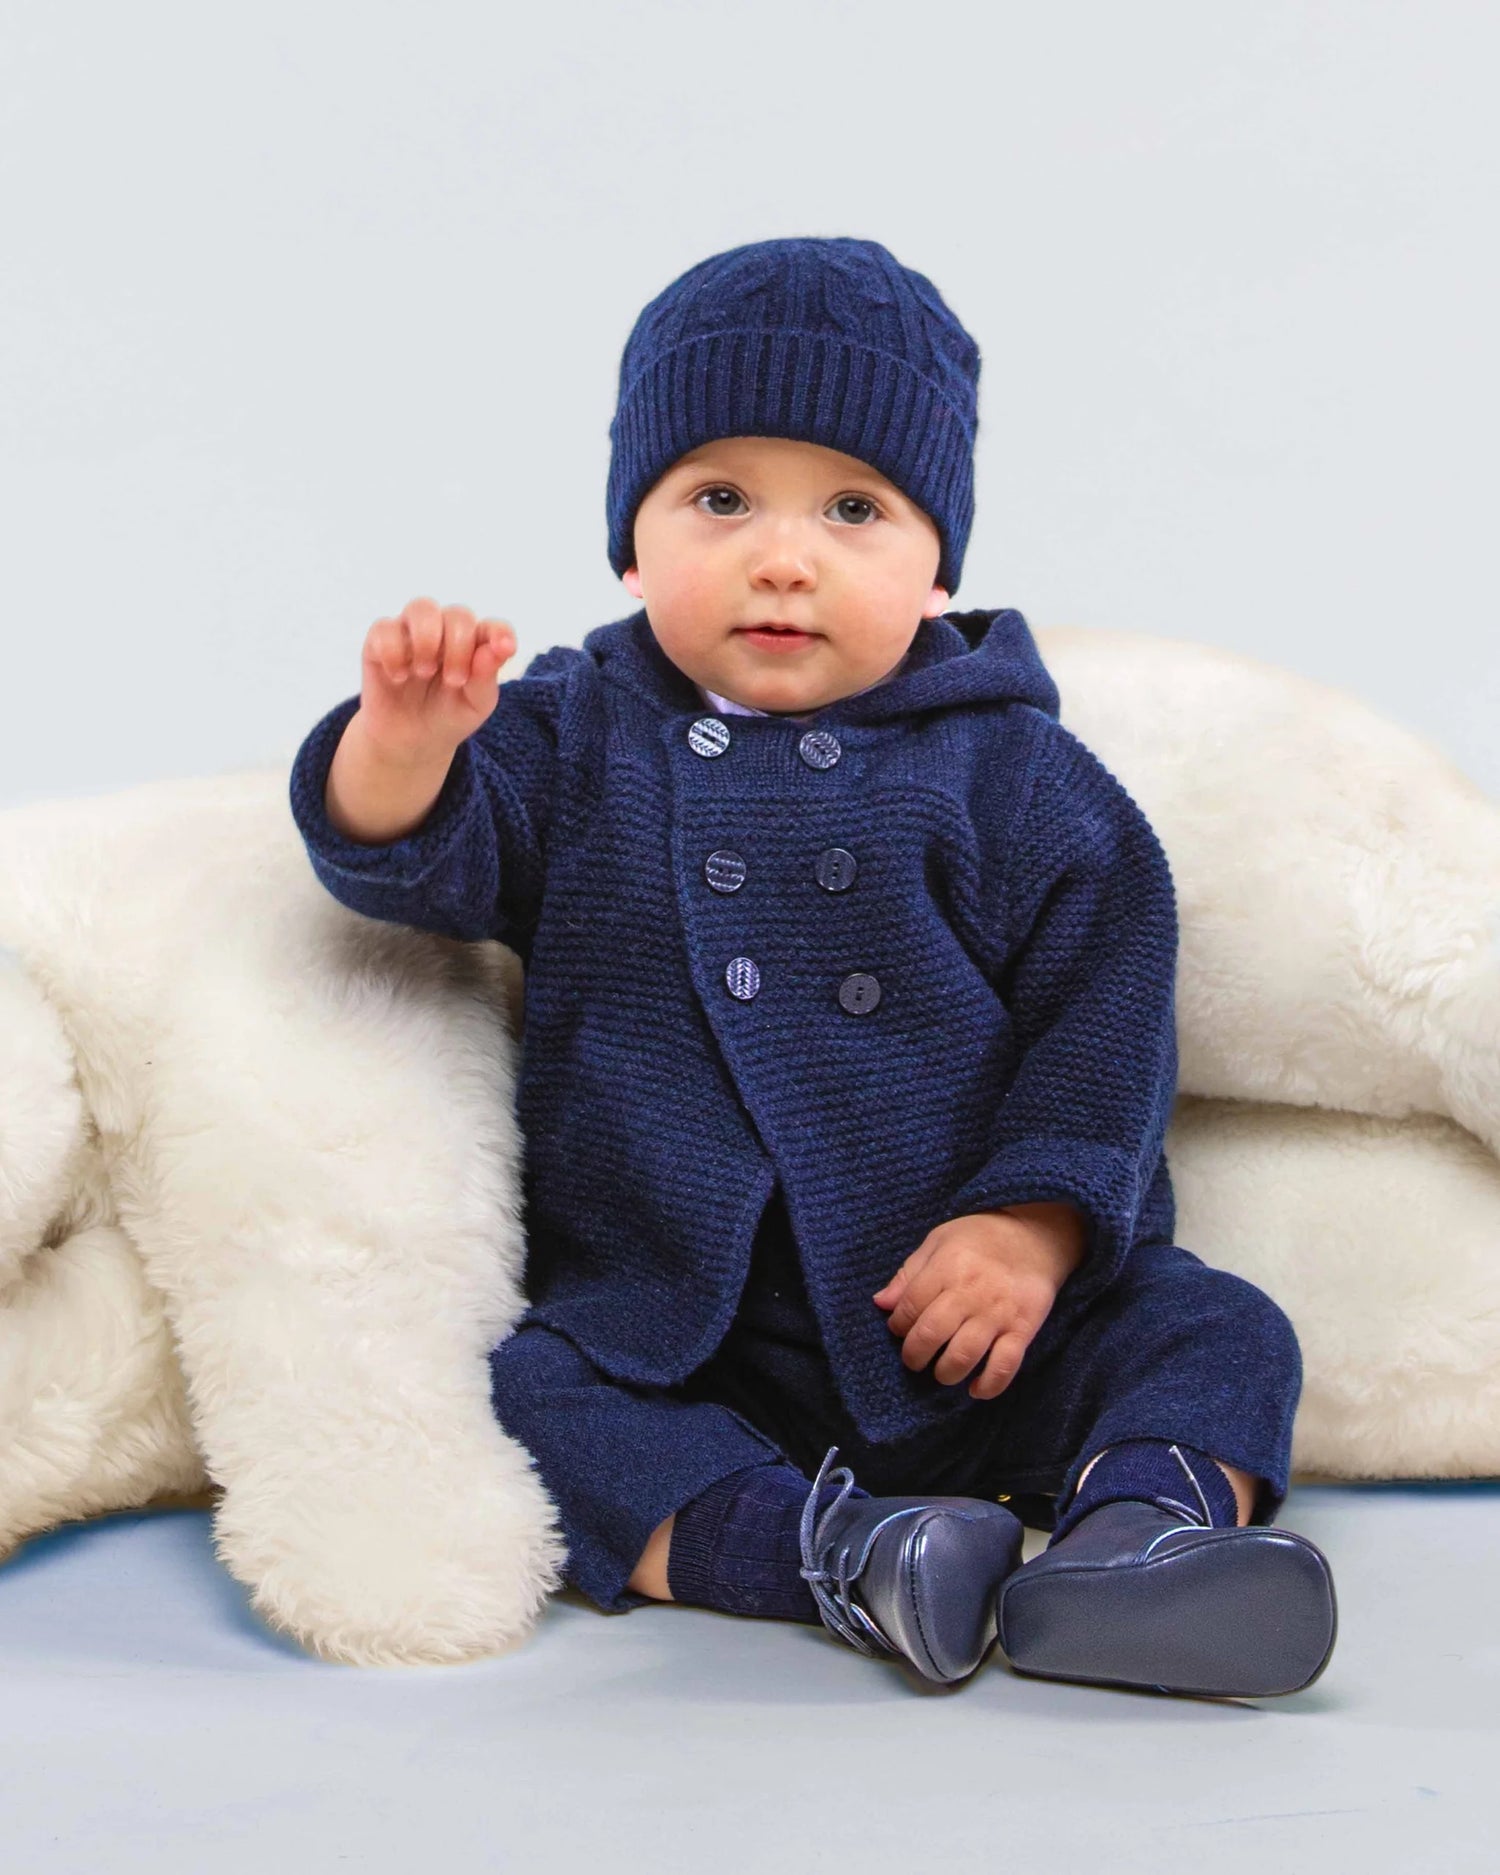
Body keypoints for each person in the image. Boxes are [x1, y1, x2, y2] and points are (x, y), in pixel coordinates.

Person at [287, 236, 1337, 1699]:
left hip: (981, 1316)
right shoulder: (582, 732)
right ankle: (846, 1556)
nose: (785, 556)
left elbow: (1103, 1016)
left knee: (1217, 1329)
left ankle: (1140, 1544)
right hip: (689, 1325)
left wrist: (1031, 1230)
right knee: (530, 1392)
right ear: (631, 538)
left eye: (855, 508)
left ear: (938, 557)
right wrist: (402, 746)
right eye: (719, 499)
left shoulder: (1011, 767)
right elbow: (414, 861)